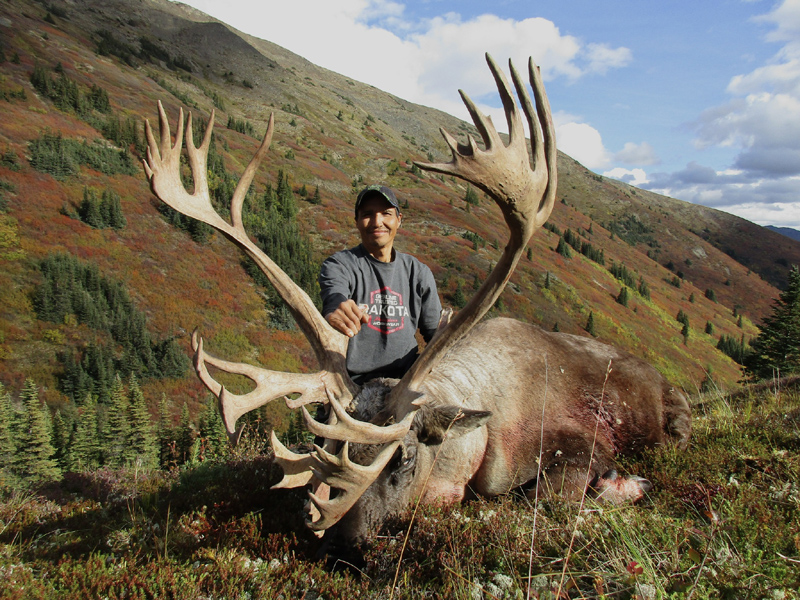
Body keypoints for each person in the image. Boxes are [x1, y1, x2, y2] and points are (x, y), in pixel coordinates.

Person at [319, 184, 442, 385]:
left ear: (398, 220)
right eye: (368, 214)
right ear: (357, 221)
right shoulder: (340, 264)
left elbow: (436, 336)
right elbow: (335, 294)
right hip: (353, 385)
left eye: (386, 213)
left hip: (407, 382)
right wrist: (335, 308)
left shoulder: (418, 272)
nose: (377, 222)